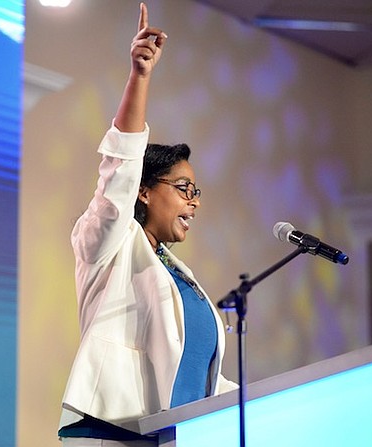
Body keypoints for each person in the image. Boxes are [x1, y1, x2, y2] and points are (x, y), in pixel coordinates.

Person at [58, 3, 237, 446]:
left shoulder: (178, 273)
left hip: (176, 436)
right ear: (144, 190)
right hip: (113, 432)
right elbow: (119, 169)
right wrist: (140, 76)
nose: (193, 203)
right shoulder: (107, 245)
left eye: (196, 192)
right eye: (182, 188)